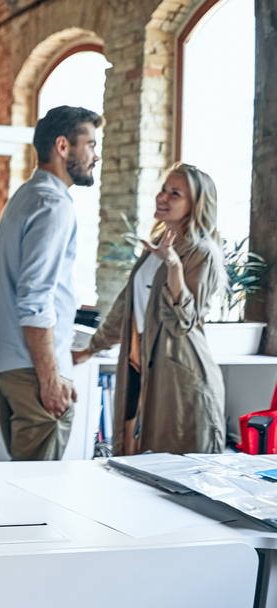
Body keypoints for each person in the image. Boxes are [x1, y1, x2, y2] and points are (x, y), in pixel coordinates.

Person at [73, 163, 226, 454]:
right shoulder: (156, 246)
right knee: (132, 456)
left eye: (175, 193)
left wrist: (174, 265)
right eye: (163, 190)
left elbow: (183, 321)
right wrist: (91, 348)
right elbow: (126, 306)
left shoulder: (201, 253)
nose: (163, 198)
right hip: (140, 364)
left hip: (180, 373)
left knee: (174, 470)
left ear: (195, 205)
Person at [0, 105, 103, 461]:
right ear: (64, 147)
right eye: (91, 145)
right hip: (31, 371)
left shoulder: (26, 195)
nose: (96, 157)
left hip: (9, 363)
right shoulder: (53, 204)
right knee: (38, 492)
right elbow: (36, 298)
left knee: (25, 483)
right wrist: (50, 376)